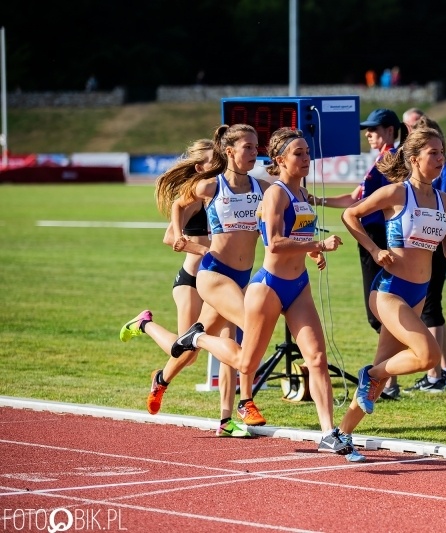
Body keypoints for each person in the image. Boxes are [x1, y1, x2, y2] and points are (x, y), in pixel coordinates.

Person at [169, 127, 350, 455]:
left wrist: (313, 251)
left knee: (317, 359)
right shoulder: (275, 194)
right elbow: (275, 243)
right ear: (280, 160)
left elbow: (298, 233)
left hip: (299, 287)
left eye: (308, 152)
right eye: (299, 154)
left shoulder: (301, 194)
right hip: (268, 287)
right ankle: (197, 338)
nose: (307, 158)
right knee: (245, 362)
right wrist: (319, 243)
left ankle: (328, 432)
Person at [334, 126, 446, 462]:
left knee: (381, 376)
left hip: (418, 293)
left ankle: (341, 433)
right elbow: (349, 215)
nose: (441, 159)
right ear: (414, 159)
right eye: (434, 154)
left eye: (443, 153)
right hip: (388, 291)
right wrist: (374, 248)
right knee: (426, 356)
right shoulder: (397, 193)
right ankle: (372, 374)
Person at [120, 123, 270, 428]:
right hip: (207, 275)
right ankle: (245, 402)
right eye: (249, 147)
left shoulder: (260, 187)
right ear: (227, 153)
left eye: (257, 147)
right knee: (243, 331)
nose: (256, 153)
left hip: (241, 276)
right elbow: (177, 205)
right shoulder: (209, 187)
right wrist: (182, 238)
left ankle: (171, 384)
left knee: (190, 351)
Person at [144, 138, 248, 437]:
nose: (218, 170)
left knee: (231, 346)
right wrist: (201, 249)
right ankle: (145, 326)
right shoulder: (195, 196)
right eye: (213, 165)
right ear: (200, 167)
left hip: (220, 278)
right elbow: (169, 238)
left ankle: (227, 420)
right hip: (191, 280)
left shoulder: (223, 193)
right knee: (187, 352)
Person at [309, 109, 408, 336]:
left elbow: (390, 200)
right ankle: (387, 369)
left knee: (380, 309)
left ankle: (387, 369)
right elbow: (355, 198)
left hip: (378, 235)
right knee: (380, 308)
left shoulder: (390, 159)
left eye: (373, 129)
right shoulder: (382, 159)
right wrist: (317, 199)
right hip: (372, 233)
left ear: (390, 130)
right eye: (367, 130)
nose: (368, 134)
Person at [403, 114, 446, 394]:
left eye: (440, 152)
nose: (439, 157)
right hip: (416, 252)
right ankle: (443, 370)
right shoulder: (402, 189)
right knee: (430, 309)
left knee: (431, 308)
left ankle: (436, 373)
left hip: (434, 244)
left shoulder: (444, 173)